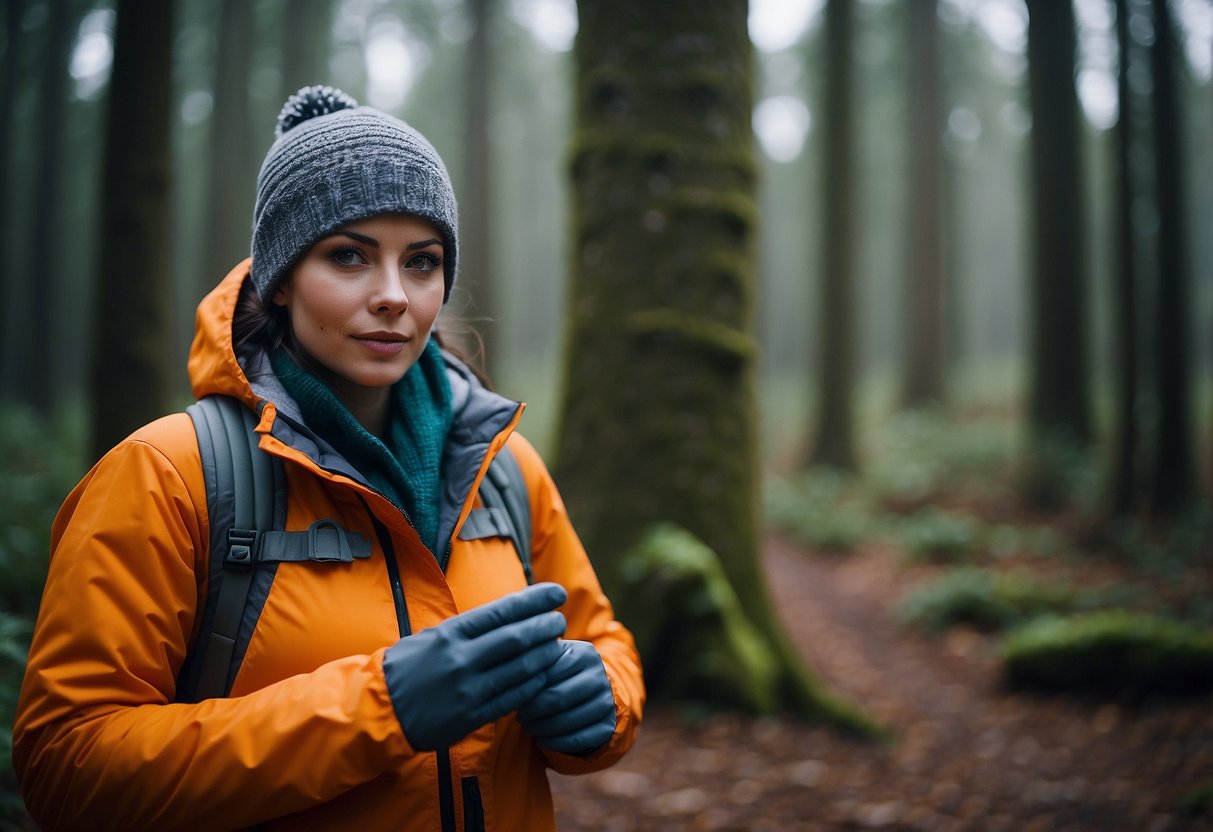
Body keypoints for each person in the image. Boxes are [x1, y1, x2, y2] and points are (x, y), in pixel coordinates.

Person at [12, 85, 645, 831]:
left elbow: (603, 641)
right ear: (279, 279)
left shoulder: (504, 467)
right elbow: (66, 765)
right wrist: (379, 708)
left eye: (421, 262)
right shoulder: (168, 474)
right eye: (348, 257)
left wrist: (598, 701)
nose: (392, 297)